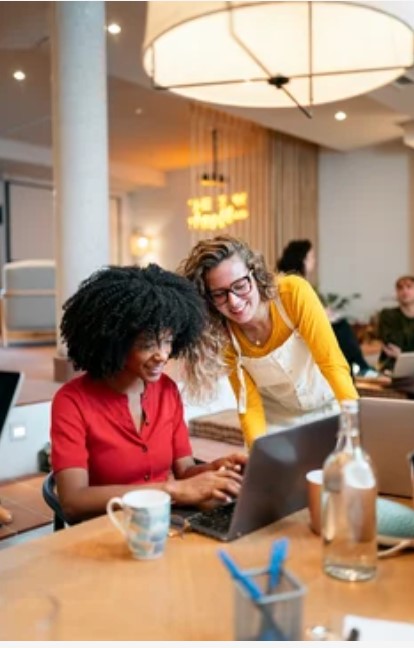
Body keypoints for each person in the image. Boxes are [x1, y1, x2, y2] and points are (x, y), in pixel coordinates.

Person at [51, 264, 247, 524]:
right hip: (107, 527)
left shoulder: (166, 390)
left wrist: (214, 469)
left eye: (167, 341)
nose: (163, 355)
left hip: (163, 523)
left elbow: (185, 470)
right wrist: (172, 490)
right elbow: (73, 501)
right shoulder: (72, 402)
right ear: (115, 342)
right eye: (147, 344)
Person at [178, 235, 358, 448]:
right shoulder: (222, 334)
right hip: (278, 423)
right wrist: (256, 452)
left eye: (240, 285)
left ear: (254, 273)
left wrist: (356, 426)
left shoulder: (292, 294)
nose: (234, 301)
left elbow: (332, 365)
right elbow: (249, 404)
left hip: (329, 406)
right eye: (219, 294)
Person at [276, 239, 377, 377]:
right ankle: (358, 368)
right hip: (297, 327)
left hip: (303, 324)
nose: (314, 261)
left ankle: (354, 369)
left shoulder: (291, 279)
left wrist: (323, 312)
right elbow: (296, 310)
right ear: (302, 259)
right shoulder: (293, 282)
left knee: (339, 326)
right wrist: (323, 314)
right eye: (311, 257)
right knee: (341, 327)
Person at [377, 275, 414, 373]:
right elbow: (392, 344)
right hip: (391, 367)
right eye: (400, 288)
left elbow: (399, 349)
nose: (404, 291)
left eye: (409, 287)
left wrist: (402, 355)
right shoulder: (388, 315)